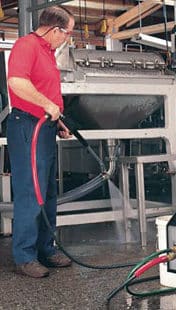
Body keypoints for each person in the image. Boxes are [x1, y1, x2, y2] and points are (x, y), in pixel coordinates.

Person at [6, 5, 75, 278]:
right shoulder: (26, 46)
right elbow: (16, 83)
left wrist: (57, 121)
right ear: (54, 29)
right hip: (27, 128)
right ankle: (25, 256)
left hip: (44, 127)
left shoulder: (47, 53)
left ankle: (46, 248)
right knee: (29, 191)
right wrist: (48, 105)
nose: (67, 38)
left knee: (47, 192)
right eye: (67, 33)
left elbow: (41, 90)